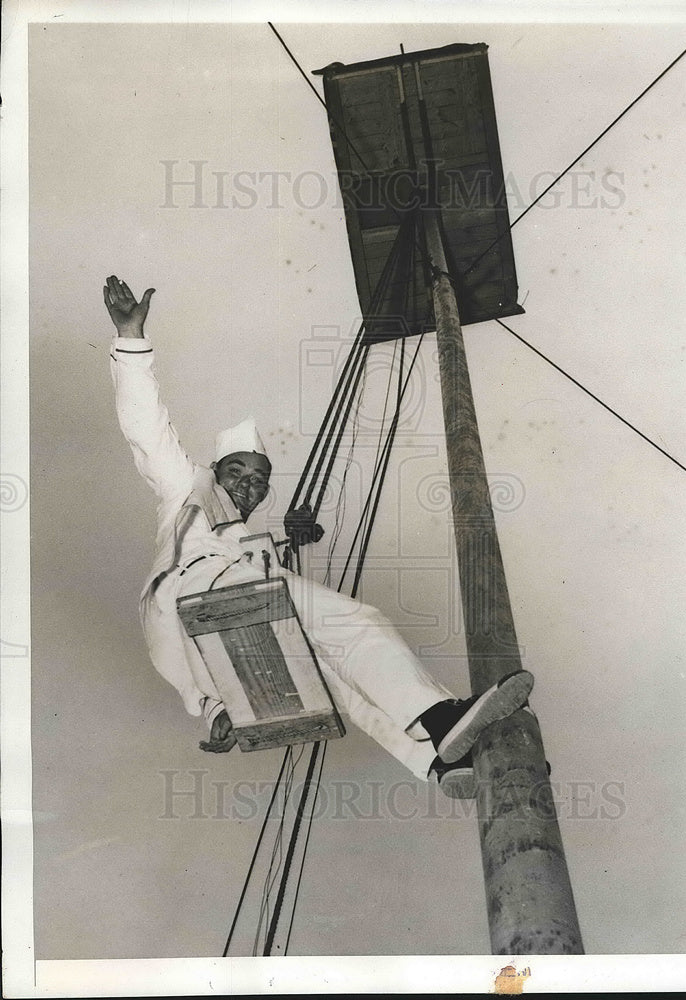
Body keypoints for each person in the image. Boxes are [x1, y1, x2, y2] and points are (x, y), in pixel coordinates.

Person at [104, 275, 534, 797]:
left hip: (210, 609)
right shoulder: (185, 487)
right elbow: (146, 430)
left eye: (260, 480)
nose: (249, 486)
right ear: (214, 469)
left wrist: (213, 705)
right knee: (358, 622)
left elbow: (189, 628)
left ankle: (435, 763)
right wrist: (130, 342)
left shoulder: (238, 540)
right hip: (199, 591)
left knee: (336, 676)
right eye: (238, 473)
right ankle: (440, 717)